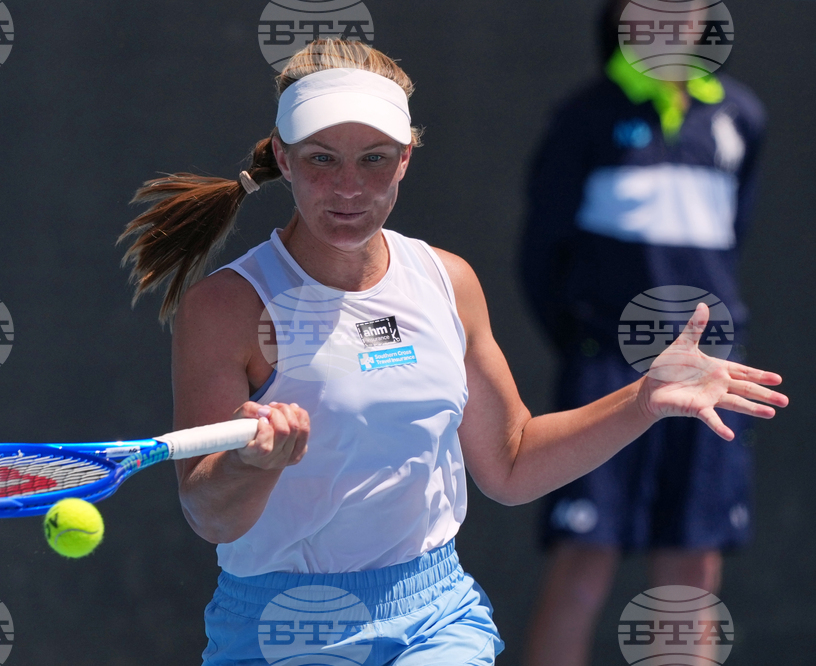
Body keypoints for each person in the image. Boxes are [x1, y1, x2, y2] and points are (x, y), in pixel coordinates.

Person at [118, 39, 786, 666]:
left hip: (435, 616)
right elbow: (209, 513)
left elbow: (511, 460)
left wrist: (641, 401)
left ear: (406, 157)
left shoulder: (448, 281)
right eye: (322, 158)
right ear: (284, 159)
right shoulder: (225, 307)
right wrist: (252, 464)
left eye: (375, 157)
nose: (348, 188)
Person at [518, 2, 771, 665]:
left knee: (693, 565)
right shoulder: (583, 117)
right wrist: (595, 343)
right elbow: (540, 256)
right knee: (586, 555)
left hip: (710, 373)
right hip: (607, 368)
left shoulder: (741, 117)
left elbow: (730, 240)